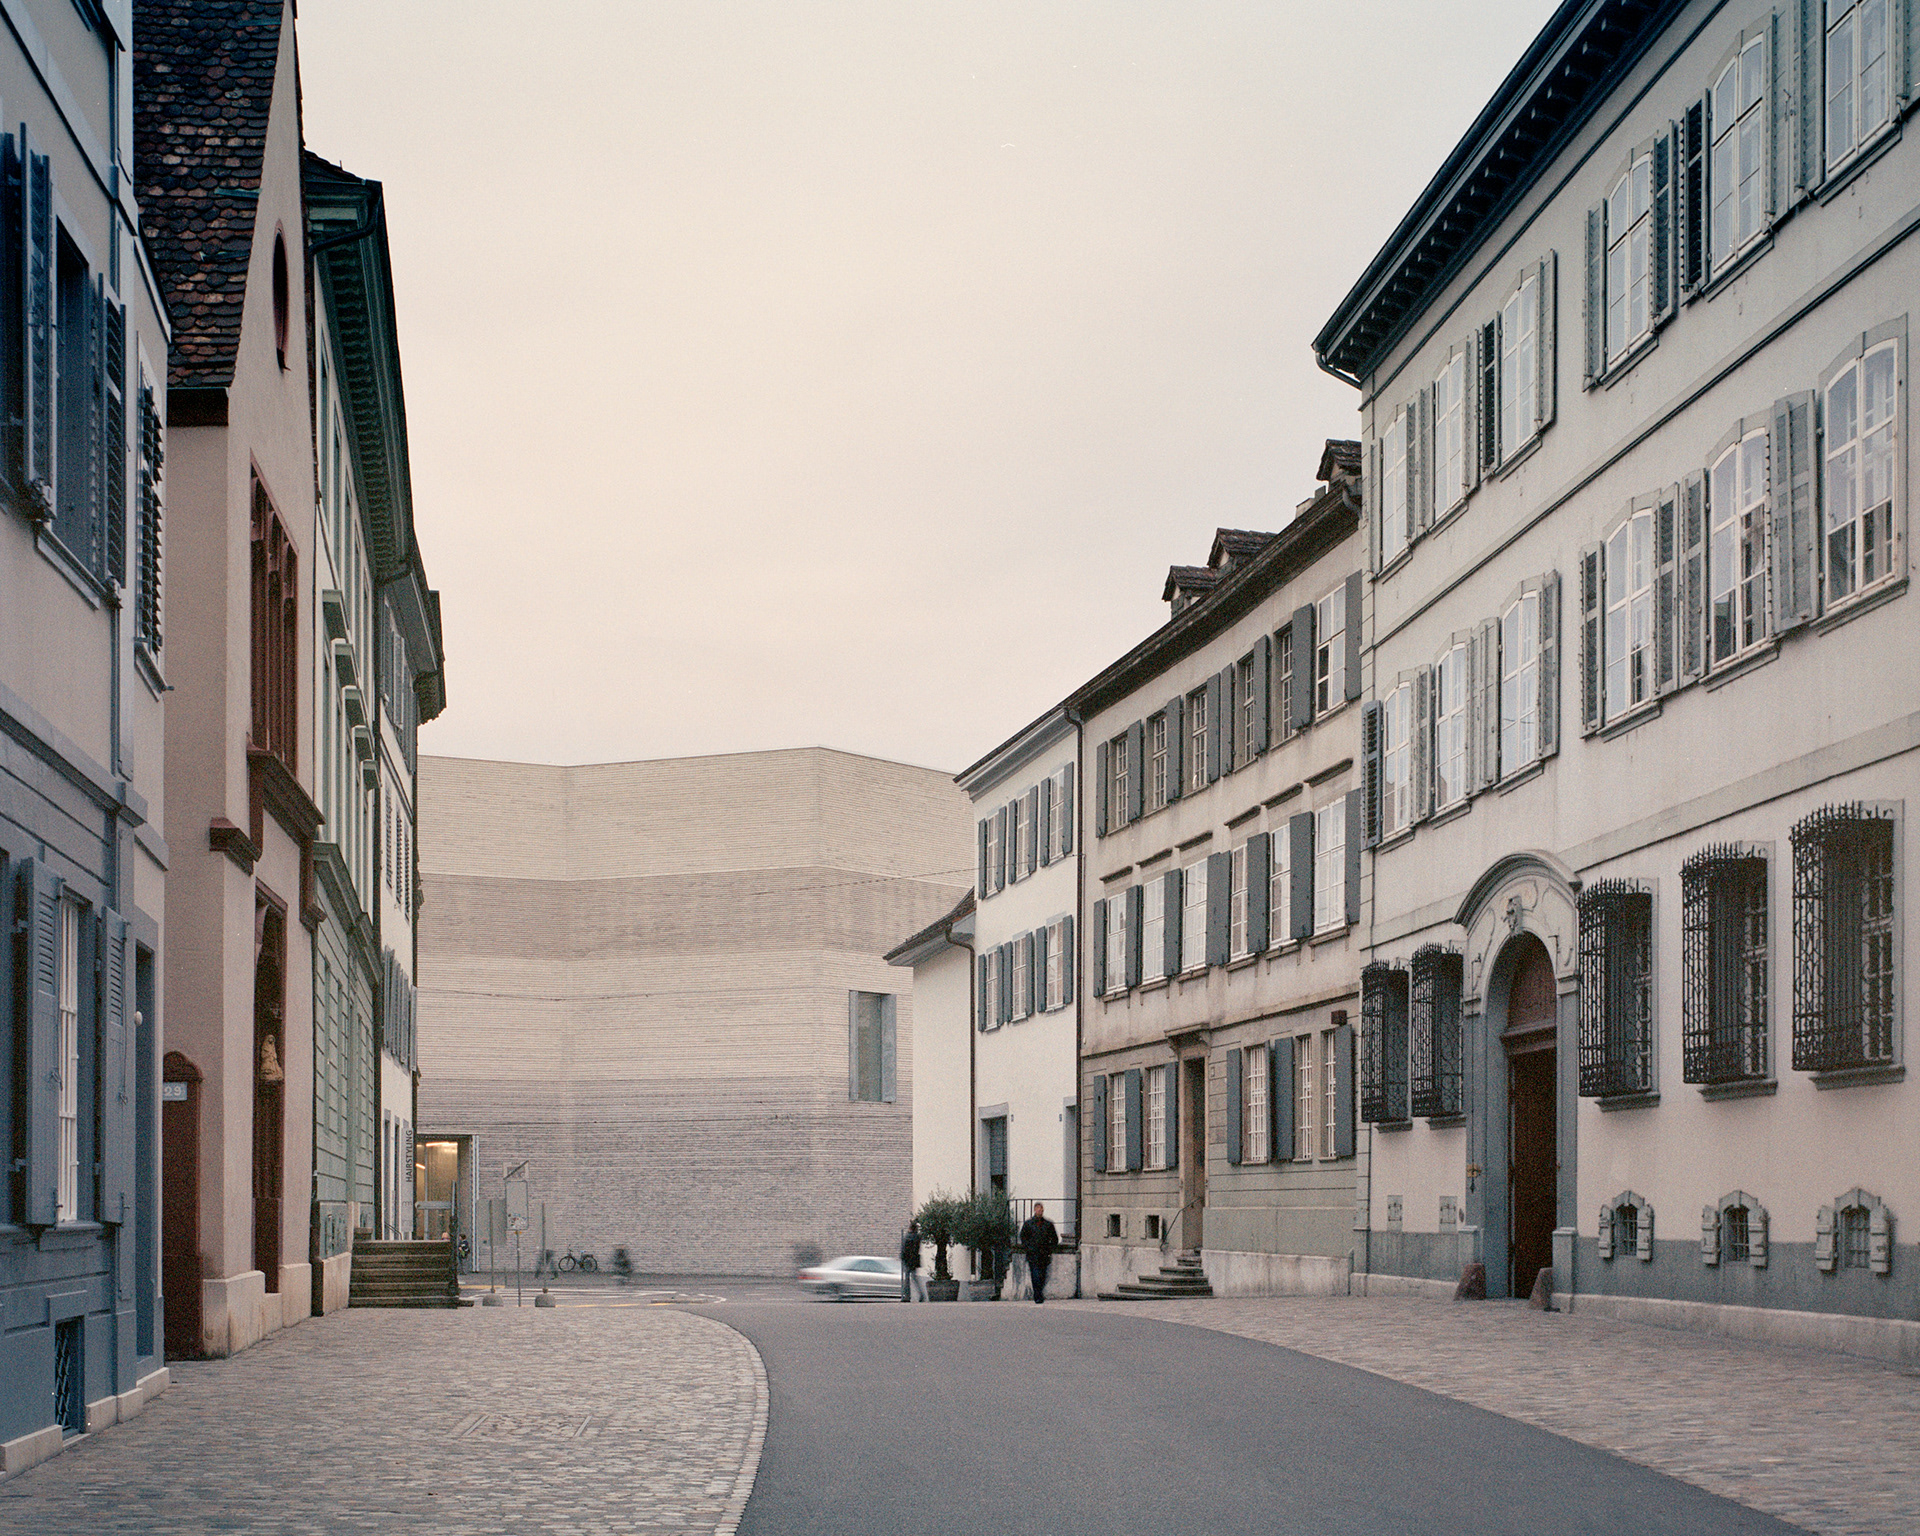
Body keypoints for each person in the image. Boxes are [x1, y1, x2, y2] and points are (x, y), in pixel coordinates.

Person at [1018, 1203, 1059, 1305]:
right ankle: (1037, 1296)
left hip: (1044, 1254)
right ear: (1034, 1210)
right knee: (1035, 1275)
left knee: (1042, 1275)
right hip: (1033, 1254)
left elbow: (1054, 1238)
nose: (1039, 1212)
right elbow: (1023, 1237)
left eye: (1041, 1210)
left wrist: (1049, 1249)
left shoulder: (1048, 1224)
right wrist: (1028, 1248)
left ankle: (1039, 1293)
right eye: (1038, 1210)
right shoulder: (1028, 1224)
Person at [899, 1220, 927, 1302]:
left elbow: (904, 1249)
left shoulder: (908, 1236)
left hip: (908, 1260)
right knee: (914, 1278)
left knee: (907, 1279)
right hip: (914, 1260)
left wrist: (902, 1257)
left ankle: (907, 1296)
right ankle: (921, 1294)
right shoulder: (917, 1236)